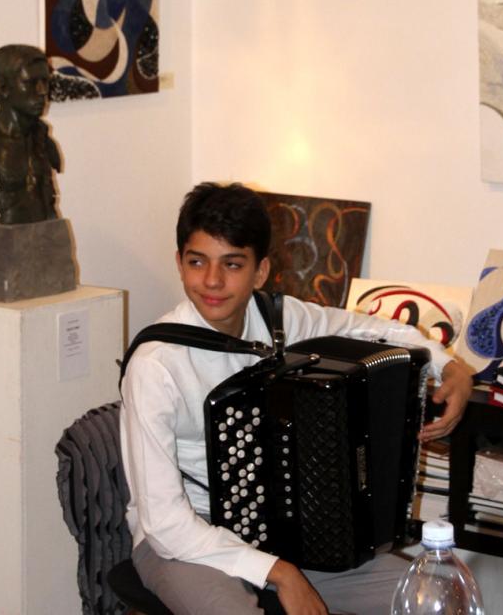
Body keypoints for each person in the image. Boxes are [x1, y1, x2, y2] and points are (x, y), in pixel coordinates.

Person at [120, 182, 473, 615]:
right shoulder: (156, 365)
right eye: (197, 262)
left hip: (282, 530)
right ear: (179, 263)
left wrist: (448, 366)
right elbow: (164, 523)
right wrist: (281, 572)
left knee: (440, 598)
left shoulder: (280, 320)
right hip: (185, 543)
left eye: (232, 264)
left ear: (260, 271)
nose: (212, 280)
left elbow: (369, 329)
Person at [0, 44, 62, 224]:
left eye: (45, 81)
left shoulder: (44, 141)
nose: (42, 91)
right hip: (13, 233)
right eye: (30, 82)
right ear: (3, 88)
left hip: (47, 232)